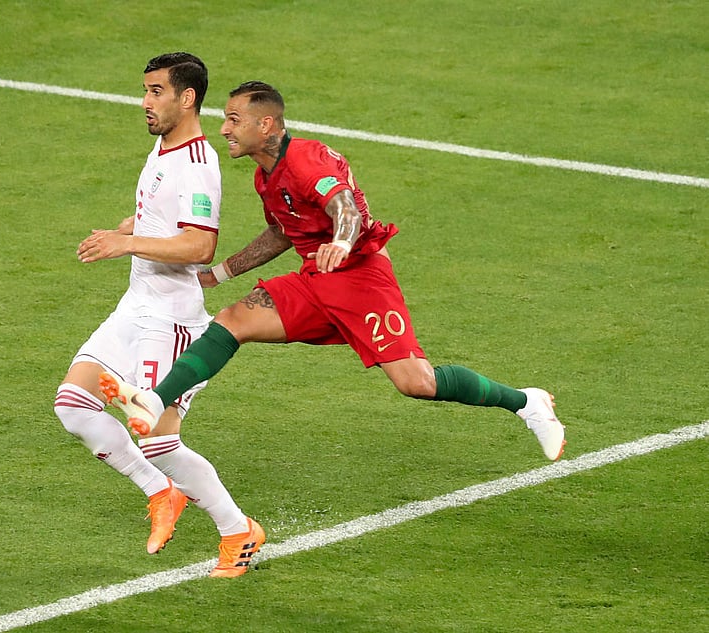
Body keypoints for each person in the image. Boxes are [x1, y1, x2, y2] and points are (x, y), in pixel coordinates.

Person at [101, 79, 565, 475]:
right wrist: (220, 272)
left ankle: (526, 403)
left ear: (265, 124)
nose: (223, 129)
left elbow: (342, 206)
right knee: (232, 321)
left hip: (361, 280)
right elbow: (284, 231)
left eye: (234, 119)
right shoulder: (266, 175)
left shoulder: (306, 160)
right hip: (315, 280)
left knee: (416, 383)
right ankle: (155, 401)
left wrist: (342, 241)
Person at [54, 56, 264, 579]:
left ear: (186, 98)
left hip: (170, 320)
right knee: (74, 405)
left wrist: (124, 243)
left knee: (157, 438)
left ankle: (238, 529)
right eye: (145, 91)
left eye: (155, 92)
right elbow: (162, 216)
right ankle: (162, 491)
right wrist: (133, 225)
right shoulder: (165, 145)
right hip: (137, 305)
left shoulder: (198, 164)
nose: (145, 103)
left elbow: (198, 245)